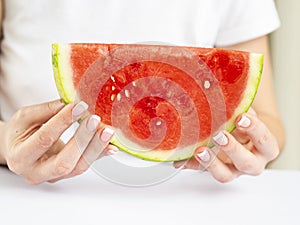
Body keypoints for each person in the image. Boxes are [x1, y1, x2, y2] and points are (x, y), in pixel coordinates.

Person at [0, 0, 285, 184]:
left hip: (190, 200)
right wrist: (5, 144)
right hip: (25, 194)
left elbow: (269, 119)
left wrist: (249, 147)